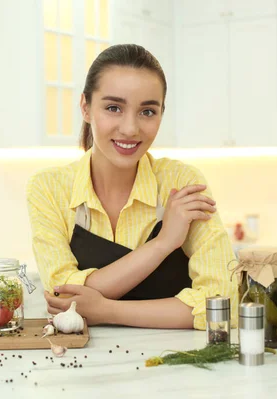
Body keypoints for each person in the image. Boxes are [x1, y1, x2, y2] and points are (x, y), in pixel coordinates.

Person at [26, 44, 238, 330]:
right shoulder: (49, 188)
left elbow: (222, 304)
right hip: (85, 366)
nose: (130, 128)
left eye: (147, 112)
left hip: (179, 365)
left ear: (162, 113)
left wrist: (105, 309)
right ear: (86, 108)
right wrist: (162, 243)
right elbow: (64, 295)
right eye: (114, 108)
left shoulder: (181, 182)